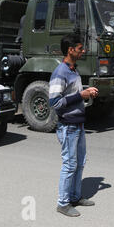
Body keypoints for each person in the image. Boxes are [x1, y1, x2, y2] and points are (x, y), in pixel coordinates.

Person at [49, 33, 99, 217]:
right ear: (71, 50)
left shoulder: (73, 70)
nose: (83, 51)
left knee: (80, 163)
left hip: (78, 124)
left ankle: (75, 197)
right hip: (68, 126)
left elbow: (73, 95)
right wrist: (81, 95)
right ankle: (63, 204)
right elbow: (54, 103)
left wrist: (86, 93)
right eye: (80, 48)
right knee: (70, 165)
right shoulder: (60, 72)